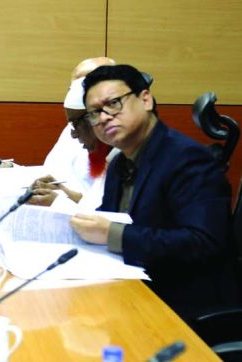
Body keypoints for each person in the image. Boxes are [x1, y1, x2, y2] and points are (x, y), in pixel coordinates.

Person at [70, 64, 237, 319]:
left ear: (145, 99)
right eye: (94, 113)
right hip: (132, 286)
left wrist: (112, 234)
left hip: (182, 301)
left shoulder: (188, 159)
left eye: (113, 103)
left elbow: (203, 242)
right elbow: (111, 220)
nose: (103, 117)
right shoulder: (120, 162)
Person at [29, 57, 118, 209]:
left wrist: (60, 201)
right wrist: (59, 191)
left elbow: (111, 217)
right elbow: (52, 171)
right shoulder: (78, 125)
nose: (74, 134)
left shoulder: (123, 150)